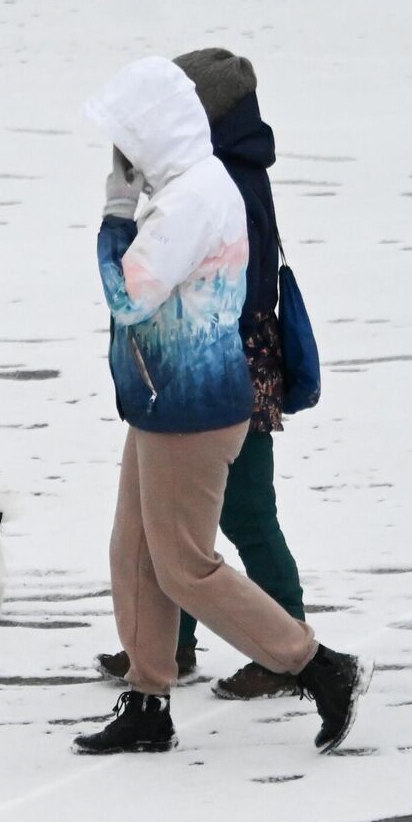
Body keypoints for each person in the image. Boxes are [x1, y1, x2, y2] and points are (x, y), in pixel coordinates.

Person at [73, 56, 369, 755]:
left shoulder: (192, 200)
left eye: (125, 140)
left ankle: (318, 667)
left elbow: (130, 295)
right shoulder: (189, 186)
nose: (119, 156)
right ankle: (148, 703)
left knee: (185, 566)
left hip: (194, 408)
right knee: (137, 553)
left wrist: (115, 216)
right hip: (160, 397)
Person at [94, 48, 308, 700]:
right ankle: (173, 647)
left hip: (225, 371)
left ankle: (292, 647)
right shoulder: (221, 173)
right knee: (180, 521)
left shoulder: (224, 182)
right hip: (221, 367)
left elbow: (192, 289)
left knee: (244, 514)